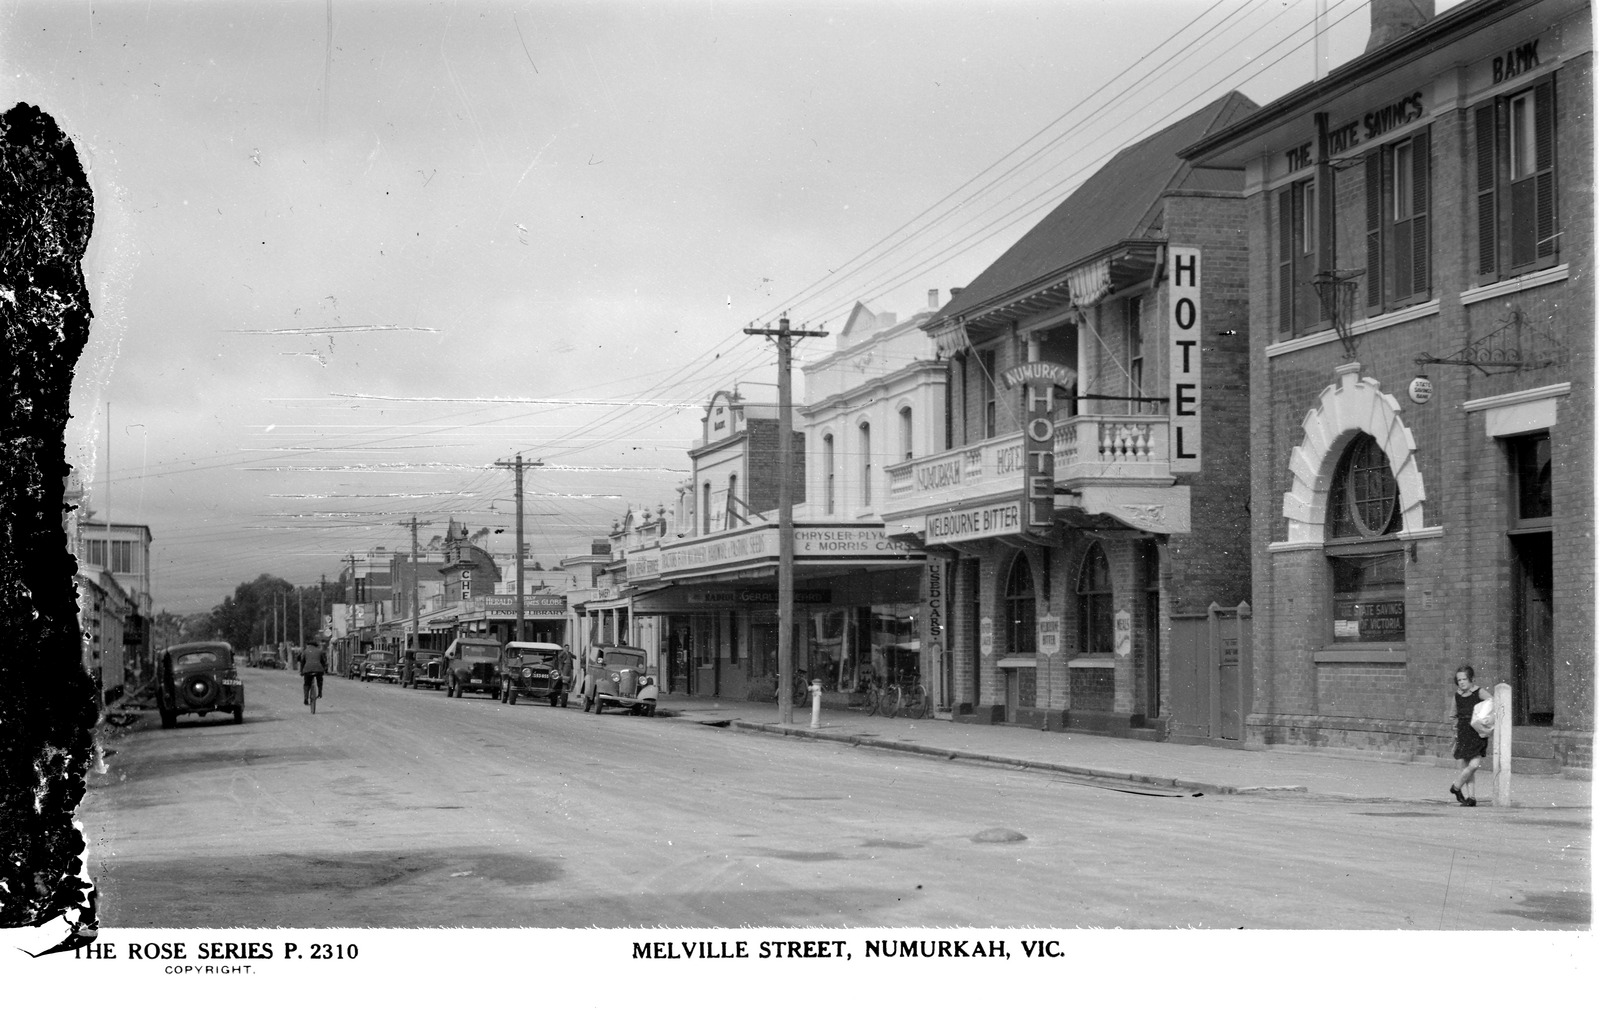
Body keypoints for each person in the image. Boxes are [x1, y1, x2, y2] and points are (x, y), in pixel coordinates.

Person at [1449, 664, 1492, 806]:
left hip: (1476, 731)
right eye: (1459, 680)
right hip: (1463, 731)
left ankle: (1456, 786)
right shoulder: (1457, 696)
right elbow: (1453, 716)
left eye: (1464, 679)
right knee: (1467, 766)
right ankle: (1471, 797)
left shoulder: (1479, 692)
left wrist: (1483, 717)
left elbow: (1492, 703)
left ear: (1472, 679)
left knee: (1474, 765)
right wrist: (1455, 733)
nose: (1461, 682)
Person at [298, 637, 327, 704]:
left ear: (308, 645)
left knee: (307, 683)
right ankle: (320, 693)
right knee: (319, 680)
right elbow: (323, 661)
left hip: (307, 669)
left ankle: (305, 698)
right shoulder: (319, 651)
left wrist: (301, 671)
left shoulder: (305, 651)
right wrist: (323, 669)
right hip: (318, 669)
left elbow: (302, 662)